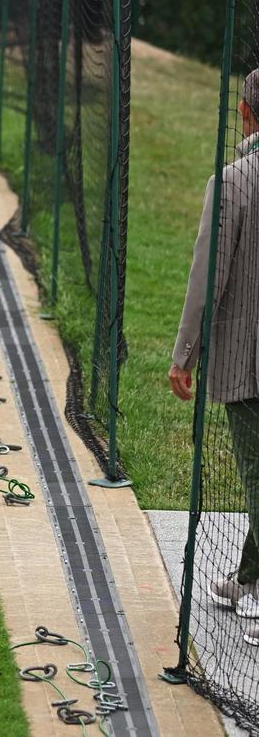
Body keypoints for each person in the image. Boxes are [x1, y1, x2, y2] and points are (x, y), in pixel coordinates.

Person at [171, 68, 259, 646]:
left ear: (247, 115)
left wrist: (185, 355)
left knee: (256, 477)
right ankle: (248, 578)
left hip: (247, 361)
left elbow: (209, 278)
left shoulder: (232, 181)